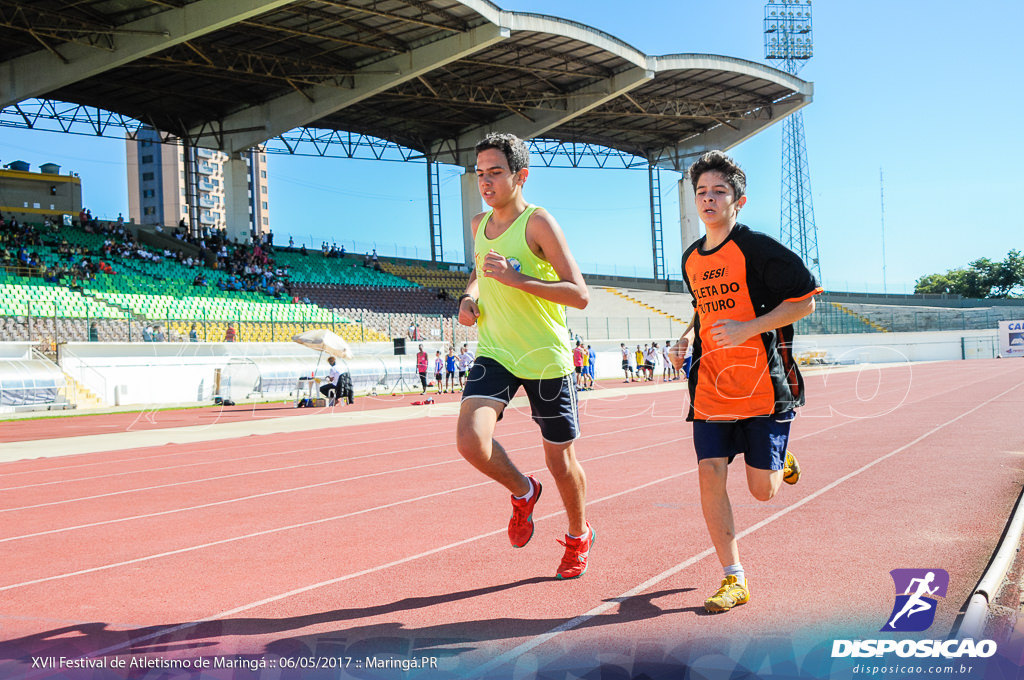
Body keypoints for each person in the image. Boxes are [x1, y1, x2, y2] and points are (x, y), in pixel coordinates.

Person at [668, 150, 821, 613]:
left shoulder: (757, 249)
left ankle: (780, 457)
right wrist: (683, 337)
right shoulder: (691, 258)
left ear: (739, 201)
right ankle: (733, 577)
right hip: (711, 383)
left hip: (760, 384)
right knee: (708, 471)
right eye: (701, 192)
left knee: (761, 490)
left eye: (718, 191)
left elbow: (806, 301)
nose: (708, 199)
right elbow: (703, 306)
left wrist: (748, 328)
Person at [456, 132, 594, 580]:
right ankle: (522, 490)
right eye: (480, 173)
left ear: (521, 175)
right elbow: (480, 272)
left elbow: (579, 295)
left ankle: (578, 535)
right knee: (470, 440)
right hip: (495, 350)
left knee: (560, 461)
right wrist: (469, 297)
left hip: (545, 357)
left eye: (496, 172)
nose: (486, 181)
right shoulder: (479, 224)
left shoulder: (539, 223)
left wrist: (520, 282)